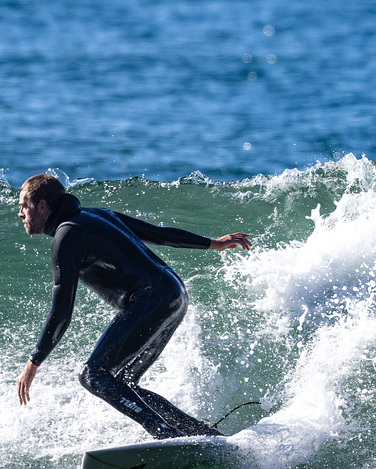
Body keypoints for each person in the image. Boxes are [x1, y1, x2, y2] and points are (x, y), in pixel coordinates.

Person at [14, 173, 252, 439]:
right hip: (173, 292)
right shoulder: (95, 215)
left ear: (43, 205)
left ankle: (165, 434)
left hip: (151, 297)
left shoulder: (67, 235)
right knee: (123, 382)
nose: (21, 213)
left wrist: (33, 363)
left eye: (24, 205)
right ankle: (202, 434)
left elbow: (61, 312)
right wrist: (212, 243)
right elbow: (156, 233)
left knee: (94, 375)